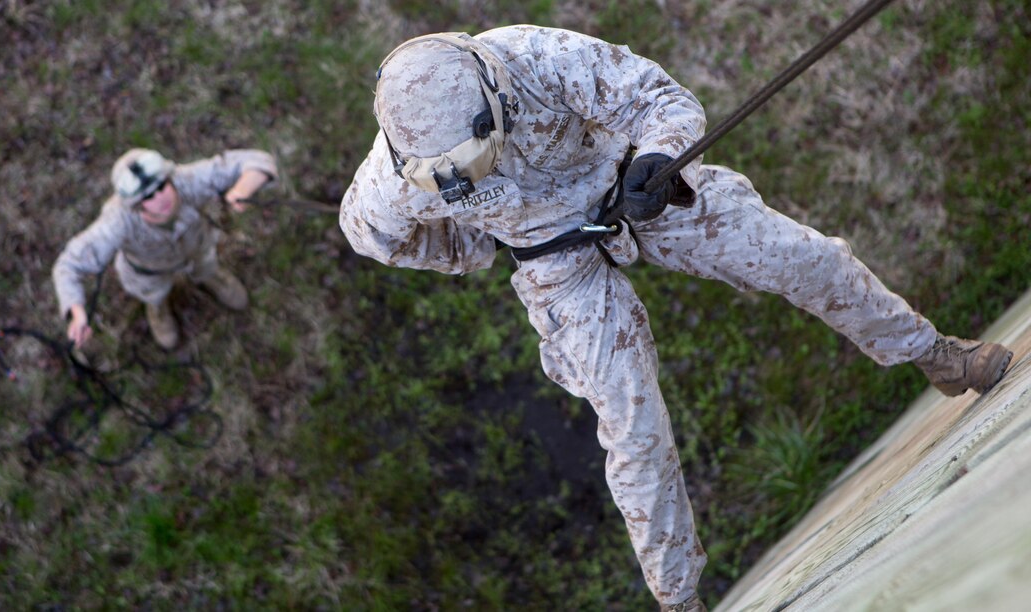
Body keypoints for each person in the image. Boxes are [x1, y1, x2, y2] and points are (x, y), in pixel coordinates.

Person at [338, 26, 1013, 611]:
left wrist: (657, 161)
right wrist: (478, 249)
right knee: (630, 421)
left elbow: (657, 99)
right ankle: (678, 598)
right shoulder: (389, 184)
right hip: (552, 261)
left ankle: (936, 355)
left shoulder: (543, 59)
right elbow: (378, 238)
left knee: (798, 257)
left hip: (634, 191)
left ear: (494, 100)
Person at [53, 148, 277, 350]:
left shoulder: (185, 181)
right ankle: (157, 309)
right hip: (148, 270)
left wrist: (243, 189)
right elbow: (70, 264)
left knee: (206, 264)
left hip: (197, 248)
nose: (161, 199)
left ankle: (212, 278)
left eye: (161, 186)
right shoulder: (117, 222)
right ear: (135, 205)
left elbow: (256, 160)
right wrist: (77, 312)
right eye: (148, 196)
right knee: (152, 292)